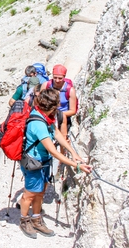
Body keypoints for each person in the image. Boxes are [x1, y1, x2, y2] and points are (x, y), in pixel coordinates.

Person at [19, 88, 92, 238]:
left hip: (42, 161)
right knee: (30, 194)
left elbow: (57, 133)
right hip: (34, 162)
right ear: (52, 107)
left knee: (40, 192)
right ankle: (24, 220)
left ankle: (36, 218)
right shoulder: (38, 124)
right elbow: (53, 151)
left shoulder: (46, 116)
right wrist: (76, 165)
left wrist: (73, 153)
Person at [40, 64, 77, 140]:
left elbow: (73, 111)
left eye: (60, 78)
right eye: (55, 78)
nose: (57, 80)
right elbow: (39, 102)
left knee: (63, 139)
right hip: (47, 118)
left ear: (64, 77)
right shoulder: (46, 85)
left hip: (63, 119)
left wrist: (58, 114)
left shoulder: (70, 90)